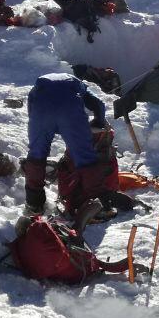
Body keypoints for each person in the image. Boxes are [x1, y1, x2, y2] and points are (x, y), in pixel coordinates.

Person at [17, 72, 111, 232]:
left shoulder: (37, 86)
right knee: (85, 157)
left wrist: (47, 126)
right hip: (70, 112)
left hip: (41, 111)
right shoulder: (79, 85)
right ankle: (97, 206)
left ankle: (34, 204)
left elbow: (31, 110)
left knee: (36, 155)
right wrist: (98, 121)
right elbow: (99, 105)